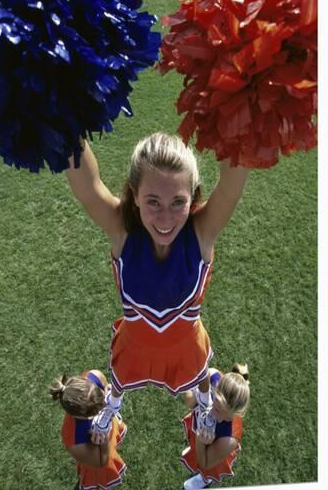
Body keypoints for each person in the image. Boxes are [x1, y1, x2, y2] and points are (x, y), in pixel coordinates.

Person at [66, 132, 249, 441]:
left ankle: (203, 405)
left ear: (193, 196)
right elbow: (88, 188)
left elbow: (231, 187)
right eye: (153, 201)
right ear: (134, 195)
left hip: (186, 344)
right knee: (120, 379)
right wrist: (63, 123)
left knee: (200, 374)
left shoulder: (202, 234)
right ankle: (112, 406)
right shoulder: (122, 232)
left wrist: (243, 119)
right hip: (135, 342)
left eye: (178, 201)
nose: (165, 217)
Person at [49, 369, 127, 490]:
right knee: (93, 486)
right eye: (99, 408)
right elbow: (102, 462)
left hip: (105, 435)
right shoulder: (74, 441)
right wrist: (104, 441)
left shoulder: (95, 375)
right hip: (97, 456)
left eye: (102, 395)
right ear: (82, 416)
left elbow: (106, 386)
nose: (104, 406)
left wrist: (109, 390)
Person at [180, 363, 250, 490]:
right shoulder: (212, 377)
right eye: (216, 404)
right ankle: (193, 449)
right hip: (200, 430)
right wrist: (197, 395)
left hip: (214, 451)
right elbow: (189, 400)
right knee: (193, 446)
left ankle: (204, 480)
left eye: (221, 412)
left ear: (235, 414)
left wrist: (200, 441)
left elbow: (205, 463)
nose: (212, 411)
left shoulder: (230, 440)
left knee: (208, 471)